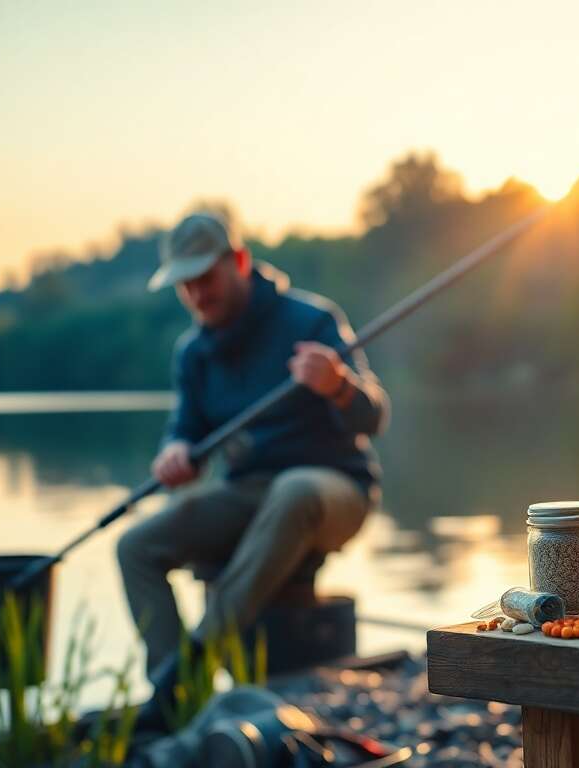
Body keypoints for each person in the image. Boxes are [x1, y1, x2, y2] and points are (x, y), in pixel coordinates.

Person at [117, 211, 388, 721]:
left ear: (238, 262)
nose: (197, 294)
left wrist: (337, 385)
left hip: (336, 492)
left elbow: (374, 416)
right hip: (250, 493)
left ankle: (197, 659)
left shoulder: (311, 319)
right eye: (184, 285)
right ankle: (176, 701)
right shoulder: (193, 353)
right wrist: (175, 451)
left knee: (295, 489)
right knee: (134, 546)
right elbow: (185, 430)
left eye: (205, 278)